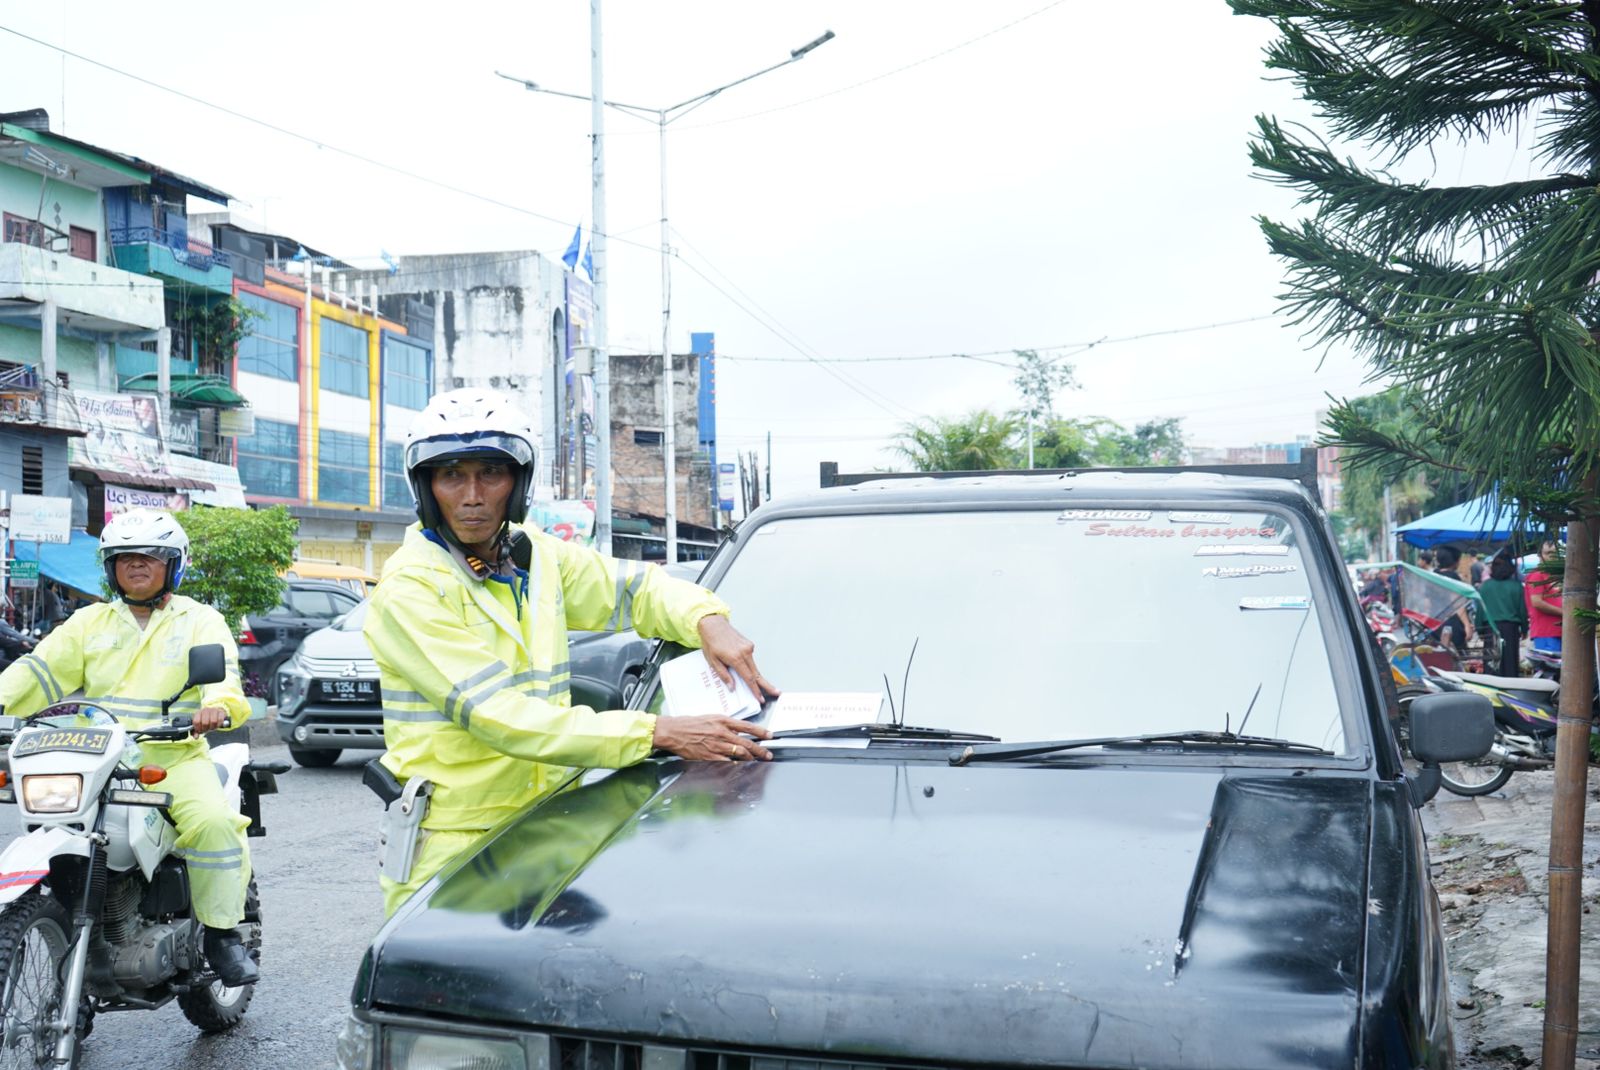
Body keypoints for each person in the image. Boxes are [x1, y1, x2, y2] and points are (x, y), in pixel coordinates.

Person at [365, 389, 780, 916]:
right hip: (453, 842)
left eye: (491, 474)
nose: (472, 495)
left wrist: (706, 619)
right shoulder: (410, 588)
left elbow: (637, 590)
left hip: (551, 824)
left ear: (518, 484)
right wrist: (659, 732)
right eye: (451, 476)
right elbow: (501, 716)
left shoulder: (534, 557)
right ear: (426, 487)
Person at [0, 510, 258, 985]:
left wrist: (216, 708)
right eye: (124, 559)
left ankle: (223, 936)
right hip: (97, 755)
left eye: (149, 557)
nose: (136, 566)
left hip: (173, 757)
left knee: (216, 825)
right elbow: (37, 672)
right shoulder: (88, 623)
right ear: (111, 569)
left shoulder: (199, 620)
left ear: (173, 565)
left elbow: (225, 682)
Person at [1476, 554, 1527, 677]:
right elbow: (1522, 611)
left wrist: (1479, 630)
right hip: (1511, 629)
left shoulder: (1485, 587)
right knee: (1510, 662)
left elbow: (1480, 611)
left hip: (1490, 629)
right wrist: (1525, 629)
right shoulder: (1516, 586)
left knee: (1491, 662)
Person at [1431, 546, 1474, 653]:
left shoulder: (1433, 576)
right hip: (1452, 625)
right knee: (1456, 658)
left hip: (1434, 625)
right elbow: (1457, 605)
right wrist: (1467, 625)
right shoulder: (1453, 578)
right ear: (1454, 561)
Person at [1525, 539, 1563, 655]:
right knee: (1550, 670)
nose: (1552, 557)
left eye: (1555, 553)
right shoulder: (1537, 575)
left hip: (1560, 631)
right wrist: (1564, 613)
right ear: (1539, 555)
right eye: (1548, 553)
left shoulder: (1556, 575)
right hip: (1546, 632)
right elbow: (1537, 602)